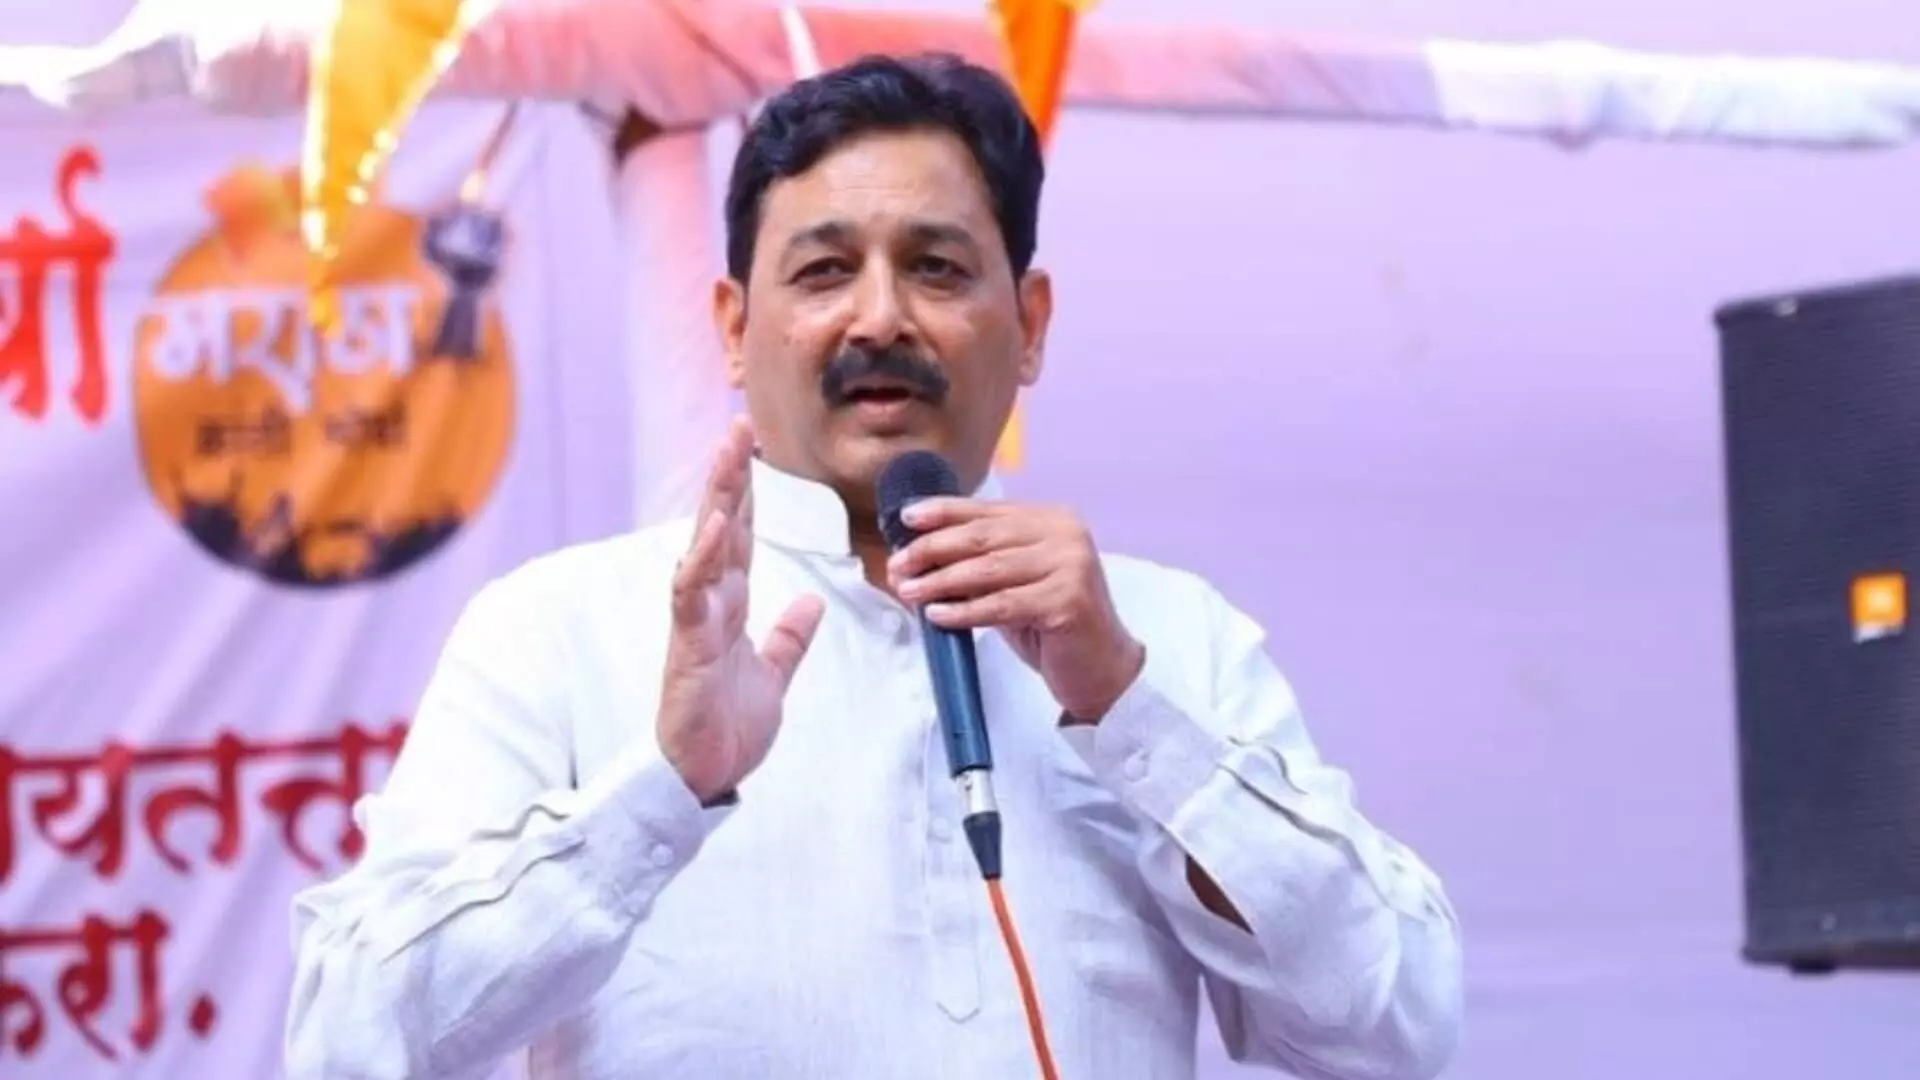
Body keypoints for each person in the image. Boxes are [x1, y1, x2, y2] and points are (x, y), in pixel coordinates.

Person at [284, 52, 1464, 1080]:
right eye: (823, 271)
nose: (880, 317)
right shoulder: (561, 627)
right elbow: (348, 1041)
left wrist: (1129, 712)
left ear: (1032, 323)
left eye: (938, 268)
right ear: (732, 329)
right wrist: (664, 793)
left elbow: (1394, 1026)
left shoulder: (1166, 636)